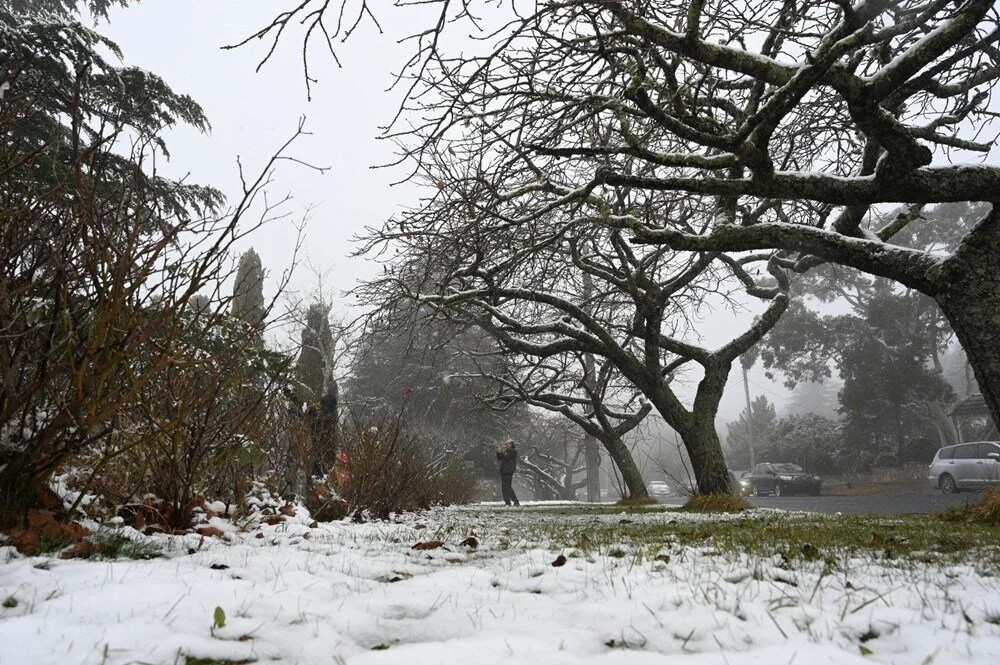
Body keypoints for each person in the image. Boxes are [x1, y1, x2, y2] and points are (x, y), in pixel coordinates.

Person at [495, 439, 519, 506]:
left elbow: (507, 458)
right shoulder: (507, 451)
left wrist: (501, 452)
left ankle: (512, 501)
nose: (505, 445)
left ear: (511, 444)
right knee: (505, 487)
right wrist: (498, 451)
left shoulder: (513, 451)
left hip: (508, 471)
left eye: (507, 444)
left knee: (507, 487)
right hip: (504, 471)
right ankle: (509, 502)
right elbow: (500, 458)